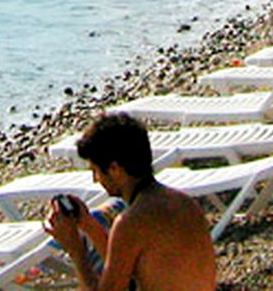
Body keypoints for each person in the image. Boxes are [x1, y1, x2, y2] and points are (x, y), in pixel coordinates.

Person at [43, 113, 215, 291]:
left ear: (115, 169)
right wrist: (89, 226)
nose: (95, 179)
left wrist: (76, 252)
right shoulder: (183, 202)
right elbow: (131, 270)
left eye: (96, 171)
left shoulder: (131, 222)